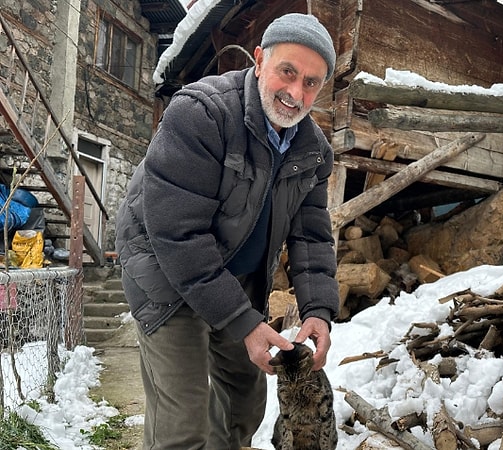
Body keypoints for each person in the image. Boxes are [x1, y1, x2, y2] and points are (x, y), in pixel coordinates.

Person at [115, 12, 340, 450]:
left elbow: (311, 236)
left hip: (234, 279)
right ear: (259, 60)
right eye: (287, 72)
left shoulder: (313, 150)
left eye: (311, 83)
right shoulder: (200, 115)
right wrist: (243, 322)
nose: (295, 93)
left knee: (244, 403)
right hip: (165, 272)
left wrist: (318, 311)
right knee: (184, 422)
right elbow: (179, 236)